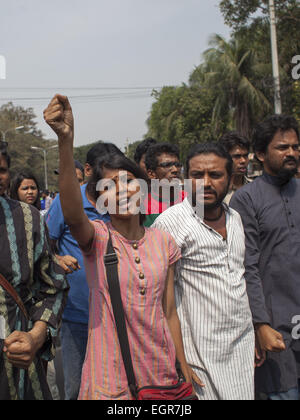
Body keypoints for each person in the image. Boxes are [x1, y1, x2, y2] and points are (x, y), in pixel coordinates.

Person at [43, 94, 202, 400]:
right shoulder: (98, 239)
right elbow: (73, 211)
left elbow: (169, 312)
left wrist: (182, 366)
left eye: (128, 181)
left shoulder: (163, 241)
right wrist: (65, 141)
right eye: (109, 186)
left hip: (160, 374)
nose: (121, 190)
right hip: (110, 378)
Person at [153, 142, 255, 400]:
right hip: (198, 356)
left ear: (230, 179)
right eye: (197, 175)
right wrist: (179, 359)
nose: (206, 183)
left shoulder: (236, 219)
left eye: (216, 175)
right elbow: (160, 302)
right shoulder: (171, 223)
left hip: (241, 348)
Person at [230, 115, 300, 400]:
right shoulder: (246, 199)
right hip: (276, 327)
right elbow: (247, 266)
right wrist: (260, 324)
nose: (292, 153)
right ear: (260, 154)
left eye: (296, 147)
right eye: (282, 147)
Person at [46, 143, 122, 400]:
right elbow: (45, 246)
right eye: (104, 173)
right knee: (77, 389)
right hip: (77, 313)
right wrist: (57, 258)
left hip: (117, 314)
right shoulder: (66, 202)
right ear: (88, 170)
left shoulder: (121, 203)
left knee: (114, 388)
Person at [0, 143, 69, 400]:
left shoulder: (28, 219)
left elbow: (54, 287)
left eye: (2, 170)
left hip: (19, 370)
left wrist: (36, 336)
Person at [144, 143, 184, 227]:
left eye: (177, 165)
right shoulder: (142, 208)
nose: (175, 169)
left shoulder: (191, 200)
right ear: (151, 174)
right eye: (167, 165)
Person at [219, 131, 251, 204]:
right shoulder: (215, 189)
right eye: (237, 156)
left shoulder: (255, 187)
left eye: (245, 156)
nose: (243, 161)